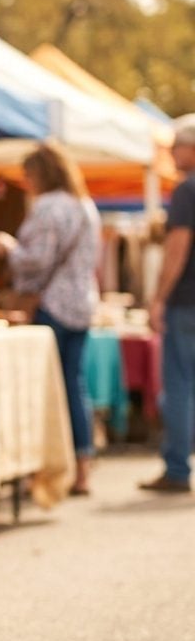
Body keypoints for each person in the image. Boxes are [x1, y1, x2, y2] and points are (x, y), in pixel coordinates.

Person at [0, 145, 101, 495]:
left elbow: (36, 260)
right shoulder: (86, 206)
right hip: (82, 304)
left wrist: (8, 248)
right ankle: (81, 467)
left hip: (51, 304)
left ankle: (42, 472)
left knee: (42, 390)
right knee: (73, 385)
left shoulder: (49, 206)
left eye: (29, 175)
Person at [140, 115, 195, 493]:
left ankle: (177, 468)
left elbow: (177, 248)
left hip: (187, 300)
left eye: (176, 146)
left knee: (178, 385)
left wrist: (158, 297)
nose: (173, 154)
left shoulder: (187, 190)